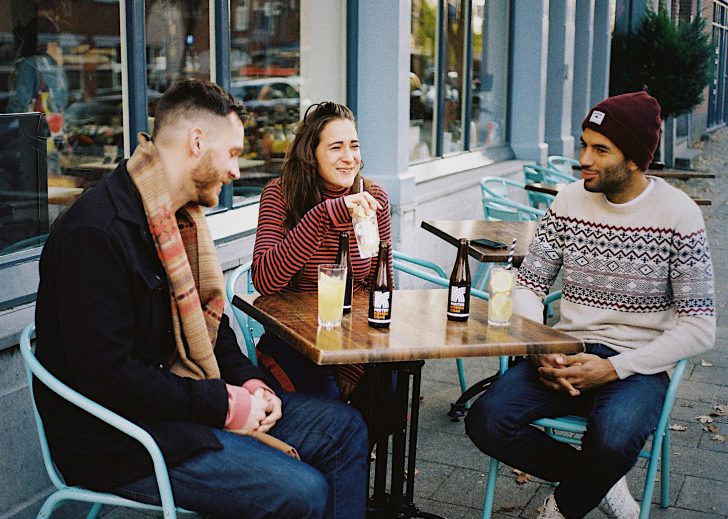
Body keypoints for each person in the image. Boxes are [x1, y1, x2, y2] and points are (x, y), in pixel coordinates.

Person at [34, 79, 368, 519]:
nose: (235, 171)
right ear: (196, 142)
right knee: (302, 491)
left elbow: (213, 329)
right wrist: (227, 405)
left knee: (344, 428)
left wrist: (251, 383)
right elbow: (109, 378)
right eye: (231, 153)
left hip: (185, 406)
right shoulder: (96, 233)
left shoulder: (178, 220)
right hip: (121, 440)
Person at [465, 91, 716, 519]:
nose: (584, 158)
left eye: (601, 150)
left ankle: (563, 507)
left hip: (637, 364)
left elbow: (699, 328)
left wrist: (615, 368)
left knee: (614, 438)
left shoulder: (679, 215)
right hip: (564, 351)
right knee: (485, 421)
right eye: (584, 144)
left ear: (635, 159)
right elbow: (528, 284)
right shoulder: (568, 202)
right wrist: (539, 346)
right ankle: (599, 480)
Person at [251, 101, 392, 431]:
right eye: (336, 147)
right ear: (311, 154)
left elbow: (382, 285)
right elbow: (264, 279)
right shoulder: (281, 194)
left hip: (355, 340)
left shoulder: (374, 198)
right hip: (294, 340)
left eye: (354, 146)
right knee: (331, 412)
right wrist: (323, 216)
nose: (349, 157)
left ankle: (354, 467)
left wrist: (353, 364)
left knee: (390, 393)